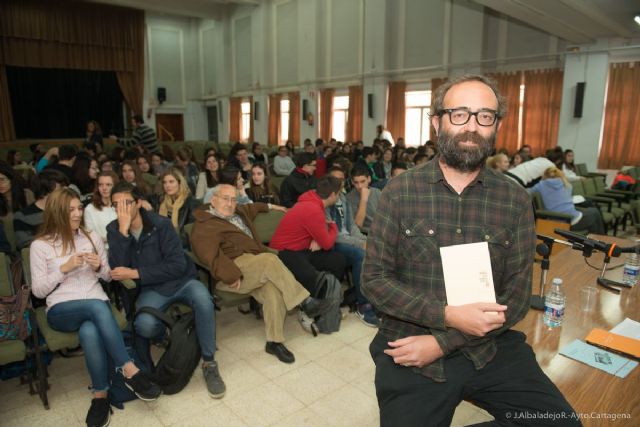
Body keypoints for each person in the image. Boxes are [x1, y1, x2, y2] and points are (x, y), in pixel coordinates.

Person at [362, 74, 579, 426]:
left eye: (485, 116)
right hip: (411, 344)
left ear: (496, 126)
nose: (472, 127)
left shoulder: (515, 200)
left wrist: (445, 341)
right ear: (437, 122)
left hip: (489, 345)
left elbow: (517, 295)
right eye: (459, 114)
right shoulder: (399, 192)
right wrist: (447, 315)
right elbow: (374, 281)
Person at [31, 188, 161, 427]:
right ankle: (129, 369)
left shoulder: (90, 237)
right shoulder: (41, 245)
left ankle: (100, 396)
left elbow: (108, 277)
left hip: (94, 303)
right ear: (57, 211)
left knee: (90, 330)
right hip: (61, 309)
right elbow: (38, 291)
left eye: (79, 208)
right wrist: (63, 268)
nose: (77, 213)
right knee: (97, 308)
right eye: (70, 209)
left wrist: (98, 266)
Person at [107, 182, 226, 399]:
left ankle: (209, 363)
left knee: (204, 301)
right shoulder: (114, 230)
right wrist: (123, 233)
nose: (121, 210)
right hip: (152, 288)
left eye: (126, 203)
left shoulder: (160, 224)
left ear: (139, 202)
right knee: (144, 326)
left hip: (181, 280)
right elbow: (117, 270)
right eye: (115, 205)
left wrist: (136, 273)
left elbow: (177, 265)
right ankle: (166, 335)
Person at [191, 183, 330, 363]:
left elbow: (252, 206)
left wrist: (272, 206)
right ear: (213, 200)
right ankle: (304, 301)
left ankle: (274, 342)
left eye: (233, 199)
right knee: (269, 260)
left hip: (254, 265)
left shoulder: (238, 212)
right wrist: (230, 275)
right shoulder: (205, 224)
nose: (230, 203)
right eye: (225, 198)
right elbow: (209, 256)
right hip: (233, 270)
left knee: (273, 291)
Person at [270, 176, 346, 297]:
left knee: (337, 260)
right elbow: (327, 244)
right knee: (311, 276)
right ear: (332, 195)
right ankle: (313, 304)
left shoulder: (312, 201)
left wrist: (316, 239)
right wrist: (333, 227)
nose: (339, 197)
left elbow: (313, 229)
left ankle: (330, 296)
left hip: (301, 248)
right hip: (284, 252)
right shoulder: (313, 208)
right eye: (339, 194)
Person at [326, 167, 378, 327]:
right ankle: (363, 305)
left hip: (348, 239)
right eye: (334, 179)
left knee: (376, 249)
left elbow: (352, 228)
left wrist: (365, 240)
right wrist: (360, 243)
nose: (338, 183)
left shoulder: (343, 199)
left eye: (341, 180)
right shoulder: (325, 200)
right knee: (360, 254)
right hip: (334, 243)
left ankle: (374, 296)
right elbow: (333, 234)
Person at [528, 167, 605, 234]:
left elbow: (527, 192)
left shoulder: (541, 185)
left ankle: (596, 242)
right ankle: (599, 242)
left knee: (593, 215)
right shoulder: (565, 183)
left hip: (559, 218)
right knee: (595, 213)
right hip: (568, 221)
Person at [13, 169, 69, 250]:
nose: (66, 190)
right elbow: (25, 244)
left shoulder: (68, 209)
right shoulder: (23, 216)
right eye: (62, 186)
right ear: (46, 191)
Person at [153, 168, 201, 241]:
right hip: (162, 241)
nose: (167, 185)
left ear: (179, 183)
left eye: (171, 182)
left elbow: (190, 234)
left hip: (181, 245)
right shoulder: (160, 202)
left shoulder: (192, 203)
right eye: (164, 182)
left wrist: (170, 242)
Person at [84, 172, 119, 244]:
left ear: (115, 186)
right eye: (100, 185)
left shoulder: (123, 206)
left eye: (108, 185)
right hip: (100, 250)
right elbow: (91, 236)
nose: (104, 188)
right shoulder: (90, 209)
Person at [346, 165, 382, 232]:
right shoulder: (349, 198)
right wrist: (363, 200)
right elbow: (357, 225)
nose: (360, 186)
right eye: (356, 182)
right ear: (352, 182)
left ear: (369, 179)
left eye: (363, 181)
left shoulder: (377, 192)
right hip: (366, 233)